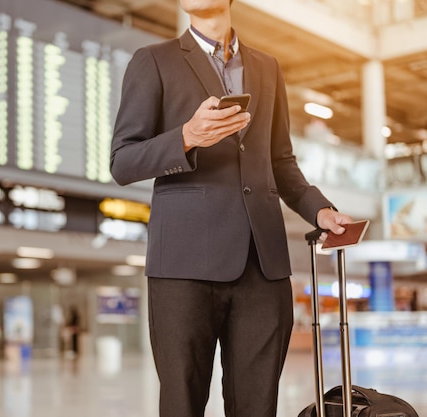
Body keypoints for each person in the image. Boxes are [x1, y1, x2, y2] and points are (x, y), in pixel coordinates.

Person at [110, 1, 353, 416]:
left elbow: (280, 161)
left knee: (258, 406)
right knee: (183, 404)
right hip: (184, 267)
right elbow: (123, 161)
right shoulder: (153, 61)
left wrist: (319, 210)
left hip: (263, 266)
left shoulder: (267, 67)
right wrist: (186, 136)